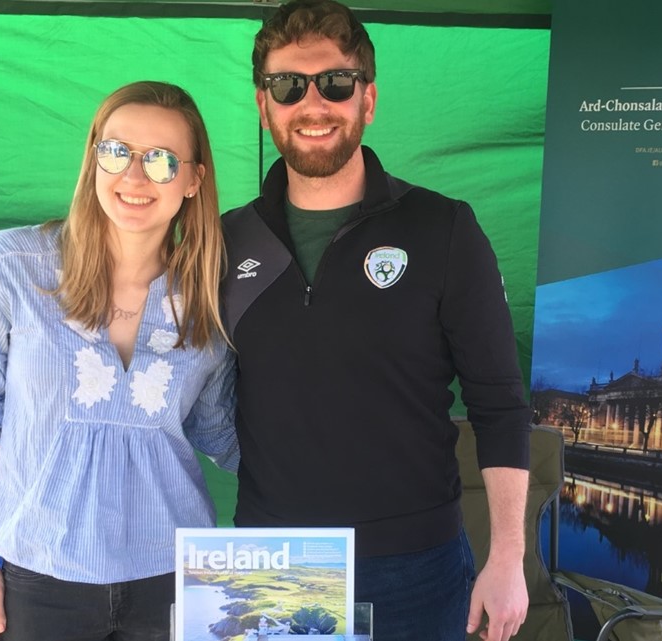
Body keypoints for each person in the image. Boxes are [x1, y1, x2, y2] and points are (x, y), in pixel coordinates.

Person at [220, 2, 532, 640]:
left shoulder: (444, 229)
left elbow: (499, 404)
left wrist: (507, 558)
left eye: (335, 83)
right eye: (288, 86)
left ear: (368, 99)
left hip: (415, 566)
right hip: (272, 561)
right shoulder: (225, 241)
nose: (313, 104)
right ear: (263, 105)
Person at [0, 81, 239, 641]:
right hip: (39, 576)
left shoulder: (211, 297)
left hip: (173, 578)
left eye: (162, 160)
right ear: (94, 157)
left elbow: (222, 432)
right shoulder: (12, 267)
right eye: (117, 152)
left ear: (194, 180)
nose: (135, 177)